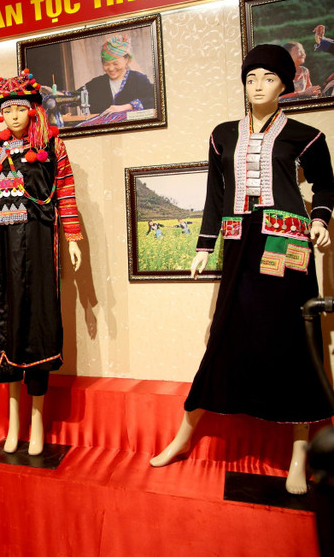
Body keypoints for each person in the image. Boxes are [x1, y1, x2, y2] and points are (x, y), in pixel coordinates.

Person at [150, 44, 334, 495]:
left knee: (293, 341)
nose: (258, 86)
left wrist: (320, 219)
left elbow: (326, 184)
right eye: (251, 78)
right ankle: (182, 437)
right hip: (238, 245)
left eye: (268, 78)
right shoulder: (222, 135)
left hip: (285, 246)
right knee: (225, 335)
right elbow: (216, 193)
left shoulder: (305, 136)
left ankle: (297, 454)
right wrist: (203, 245)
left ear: (286, 86)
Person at [0, 69, 84, 456]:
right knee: (9, 327)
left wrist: (72, 238)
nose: (14, 115)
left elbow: (64, 189)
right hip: (3, 251)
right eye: (7, 109)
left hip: (38, 246)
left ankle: (36, 418)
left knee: (37, 326)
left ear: (33, 110)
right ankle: (12, 419)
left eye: (20, 108)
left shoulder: (52, 147)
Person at [80, 34, 156, 116]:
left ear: (127, 60)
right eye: (106, 64)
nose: (111, 68)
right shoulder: (95, 84)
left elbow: (155, 99)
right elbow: (76, 95)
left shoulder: (139, 79)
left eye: (115, 63)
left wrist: (128, 106)